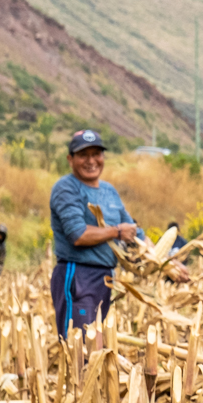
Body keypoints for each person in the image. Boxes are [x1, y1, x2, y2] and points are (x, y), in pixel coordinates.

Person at [50, 129, 145, 338]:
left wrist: (169, 263)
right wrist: (116, 231)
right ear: (70, 159)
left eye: (96, 154)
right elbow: (78, 234)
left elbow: (134, 232)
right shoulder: (66, 188)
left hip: (105, 279)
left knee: (96, 346)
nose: (91, 161)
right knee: (79, 345)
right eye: (83, 155)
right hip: (77, 275)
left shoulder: (109, 191)